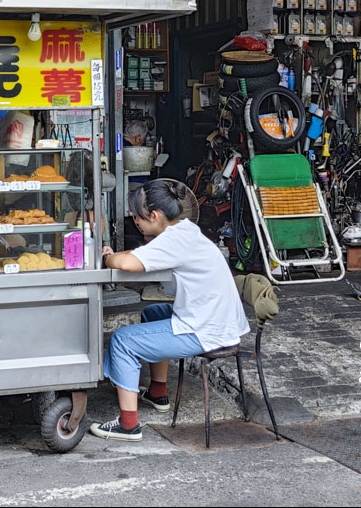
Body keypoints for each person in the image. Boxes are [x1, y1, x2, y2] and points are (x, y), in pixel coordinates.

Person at [90, 178, 250, 441]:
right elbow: (143, 253)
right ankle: (157, 392)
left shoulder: (176, 240)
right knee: (153, 313)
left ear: (154, 215)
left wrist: (107, 257)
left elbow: (129, 264)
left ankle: (128, 425)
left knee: (122, 341)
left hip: (207, 330)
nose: (135, 222)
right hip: (217, 322)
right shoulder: (184, 230)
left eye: (137, 217)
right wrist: (118, 255)